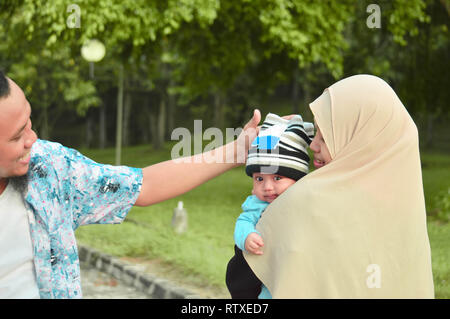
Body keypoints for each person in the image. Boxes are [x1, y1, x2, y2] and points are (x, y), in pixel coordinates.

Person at [0, 70, 262, 299]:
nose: (32, 139)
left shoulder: (49, 168)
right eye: (17, 136)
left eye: (29, 123)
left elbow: (144, 185)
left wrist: (237, 151)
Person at [244, 74, 435, 298]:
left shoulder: (307, 202)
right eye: (316, 134)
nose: (313, 145)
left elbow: (245, 279)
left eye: (325, 139)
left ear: (359, 143)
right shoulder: (406, 217)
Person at [225, 113, 314, 299]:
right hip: (268, 281)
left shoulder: (305, 203)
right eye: (259, 179)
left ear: (298, 180)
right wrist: (247, 236)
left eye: (277, 178)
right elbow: (243, 222)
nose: (267, 187)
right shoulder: (256, 206)